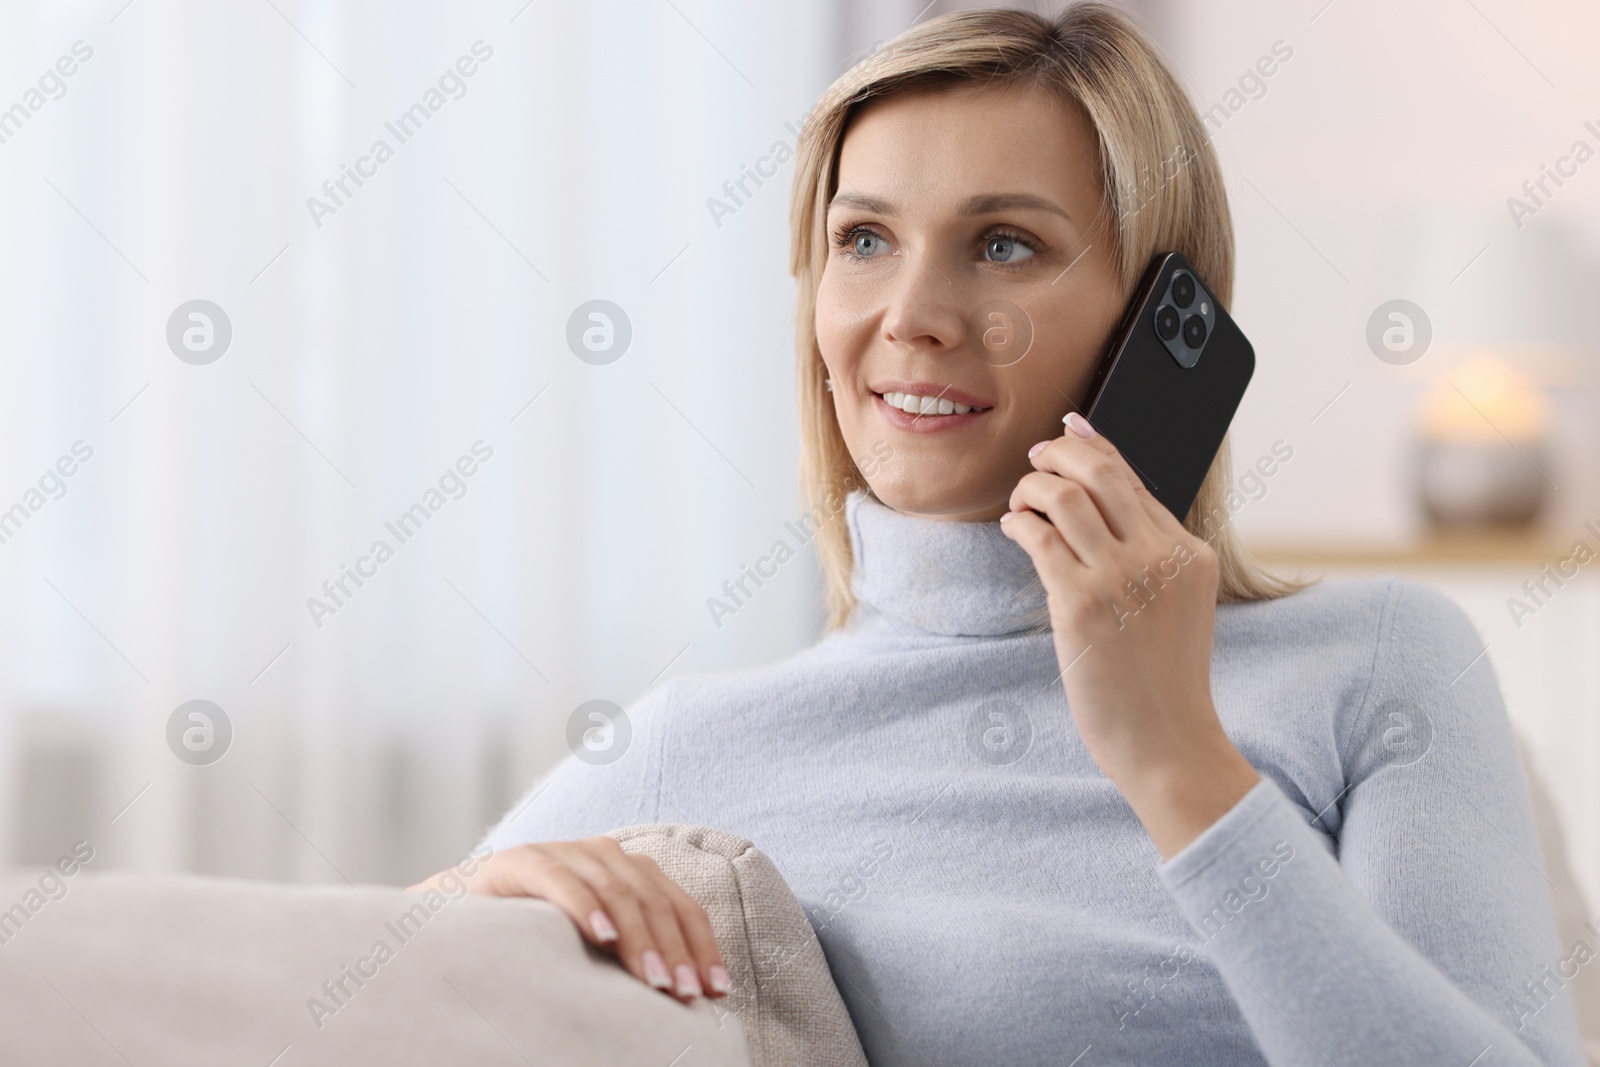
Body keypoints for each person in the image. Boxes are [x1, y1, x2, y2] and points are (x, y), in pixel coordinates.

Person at [413, 6, 1587, 1063]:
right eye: (863, 239)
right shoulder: (685, 745)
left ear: (1156, 316)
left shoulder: (1380, 660)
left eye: (1003, 245)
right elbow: (350, 979)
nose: (910, 316)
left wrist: (1176, 758)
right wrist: (479, 899)